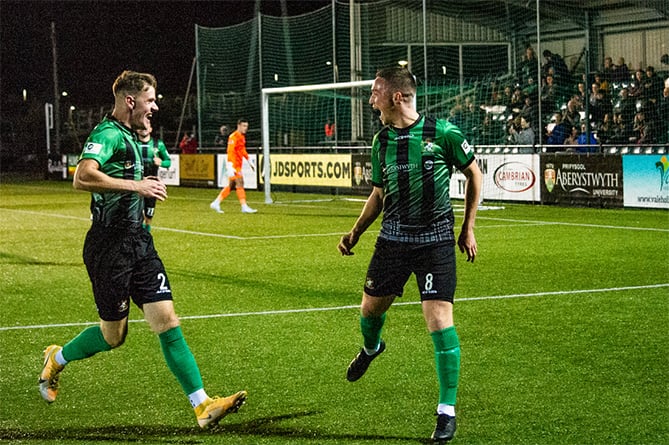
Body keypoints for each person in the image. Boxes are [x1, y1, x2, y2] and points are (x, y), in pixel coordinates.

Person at [38, 70, 247, 428]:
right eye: (150, 100)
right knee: (113, 336)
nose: (154, 107)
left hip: (139, 243)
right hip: (109, 247)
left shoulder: (136, 136)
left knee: (167, 321)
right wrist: (137, 187)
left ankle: (202, 405)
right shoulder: (107, 134)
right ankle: (57, 358)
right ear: (130, 101)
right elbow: (82, 176)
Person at [337, 66, 482, 443]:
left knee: (439, 320)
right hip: (393, 240)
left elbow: (474, 174)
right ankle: (372, 347)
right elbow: (379, 194)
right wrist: (355, 232)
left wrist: (467, 227)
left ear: (396, 97)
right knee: (370, 312)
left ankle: (446, 411)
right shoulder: (381, 140)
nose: (371, 100)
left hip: (435, 241)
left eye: (375, 93)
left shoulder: (443, 133)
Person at [210, 118, 257, 213]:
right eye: (244, 126)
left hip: (237, 164)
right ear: (238, 126)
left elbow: (242, 150)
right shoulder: (233, 136)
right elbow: (230, 151)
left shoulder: (242, 137)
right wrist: (230, 165)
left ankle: (216, 203)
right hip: (234, 164)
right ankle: (244, 206)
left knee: (231, 186)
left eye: (246, 126)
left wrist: (249, 160)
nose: (245, 128)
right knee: (240, 182)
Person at [138, 121, 171, 232]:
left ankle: (146, 231)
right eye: (140, 127)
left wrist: (161, 163)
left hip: (152, 182)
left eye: (146, 126)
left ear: (151, 129)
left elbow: (168, 162)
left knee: (149, 211)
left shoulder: (158, 144)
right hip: (136, 182)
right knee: (137, 210)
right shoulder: (132, 143)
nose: (143, 129)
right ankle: (138, 231)